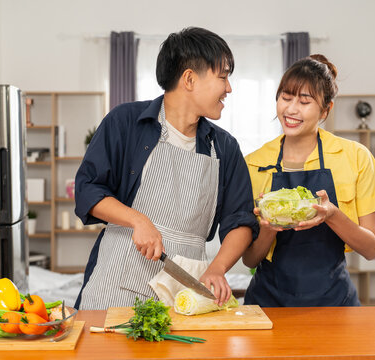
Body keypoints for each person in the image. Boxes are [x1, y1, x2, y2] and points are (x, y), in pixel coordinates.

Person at [74, 27, 258, 310]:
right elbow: (88, 189)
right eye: (223, 76)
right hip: (117, 279)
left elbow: (241, 221)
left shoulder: (224, 147)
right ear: (189, 79)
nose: (228, 88)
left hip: (187, 289)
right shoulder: (126, 122)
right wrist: (137, 220)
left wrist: (218, 268)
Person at [242, 54, 375, 307]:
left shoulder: (355, 157)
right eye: (285, 97)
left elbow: (372, 250)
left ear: (326, 109)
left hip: (334, 302)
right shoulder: (253, 163)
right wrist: (268, 229)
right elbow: (249, 260)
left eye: (304, 101)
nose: (291, 109)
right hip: (268, 303)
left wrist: (333, 216)